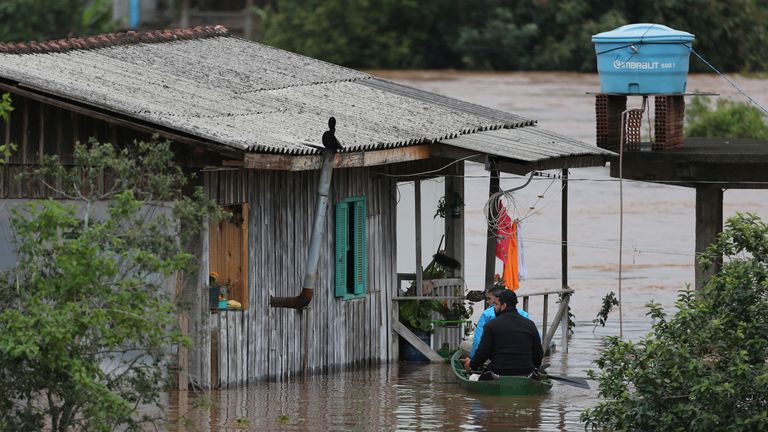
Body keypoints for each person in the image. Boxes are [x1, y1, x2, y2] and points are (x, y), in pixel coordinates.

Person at [462, 289, 543, 376]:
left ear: (504, 305)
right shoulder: (530, 324)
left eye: (496, 304)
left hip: (499, 371)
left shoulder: (491, 325)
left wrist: (471, 364)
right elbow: (539, 354)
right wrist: (533, 368)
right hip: (526, 371)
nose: (494, 308)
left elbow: (482, 353)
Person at [463, 287, 530, 359]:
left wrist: (473, 360)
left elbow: (478, 340)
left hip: (496, 360)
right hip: (524, 360)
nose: (487, 302)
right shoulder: (524, 315)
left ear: (498, 299)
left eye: (489, 299)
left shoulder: (487, 315)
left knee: (463, 345)